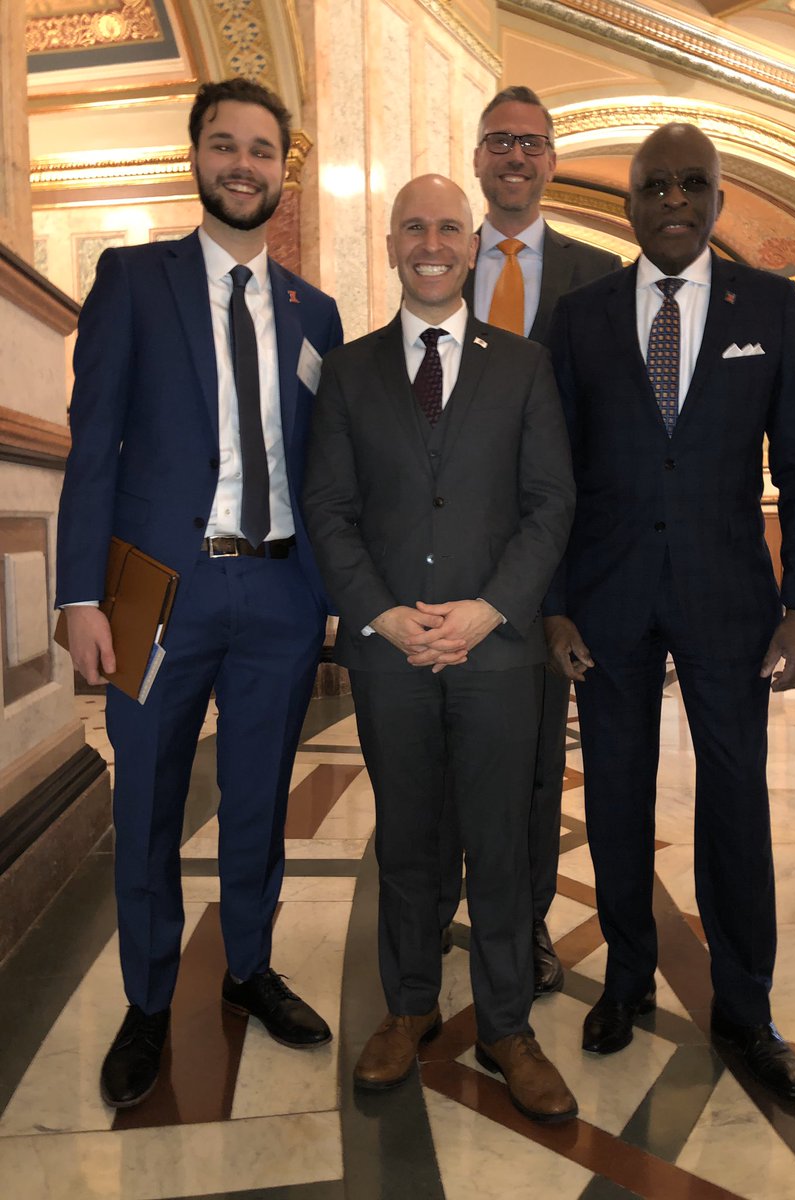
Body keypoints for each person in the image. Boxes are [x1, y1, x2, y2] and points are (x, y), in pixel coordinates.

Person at [55, 77, 343, 1109]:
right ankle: (146, 996)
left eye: (261, 150)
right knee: (147, 800)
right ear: (197, 157)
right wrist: (79, 596)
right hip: (150, 591)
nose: (243, 164)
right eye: (225, 145)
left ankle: (252, 967)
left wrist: (336, 589)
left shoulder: (318, 310)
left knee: (261, 798)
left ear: (282, 170)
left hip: (278, 592)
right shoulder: (133, 279)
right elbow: (93, 450)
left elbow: (324, 469)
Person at [546, 123, 795, 1100]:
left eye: (693, 185)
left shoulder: (775, 305)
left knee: (735, 802)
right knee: (617, 798)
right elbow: (549, 477)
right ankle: (627, 978)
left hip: (730, 603)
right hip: (609, 600)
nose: (674, 200)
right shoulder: (578, 317)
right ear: (629, 203)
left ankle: (746, 1010)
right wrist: (552, 604)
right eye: (655, 185)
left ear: (717, 200)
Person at [303, 174, 577, 1123]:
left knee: (501, 845)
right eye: (413, 227)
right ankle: (409, 1006)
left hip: (498, 657)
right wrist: (380, 614)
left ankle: (508, 1025)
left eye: (448, 228)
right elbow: (329, 511)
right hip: (390, 658)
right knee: (410, 841)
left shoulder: (526, 367)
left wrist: (489, 610)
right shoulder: (348, 371)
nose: (431, 241)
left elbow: (550, 506)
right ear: (391, 247)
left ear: (472, 248)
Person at [432, 86, 620, 996]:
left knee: (541, 767)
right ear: (477, 158)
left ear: (552, 161)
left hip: (552, 571)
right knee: (433, 754)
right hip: (443, 557)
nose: (516, 156)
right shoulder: (437, 266)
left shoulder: (599, 277)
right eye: (499, 141)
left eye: (533, 143)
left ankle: (528, 922)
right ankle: (427, 911)